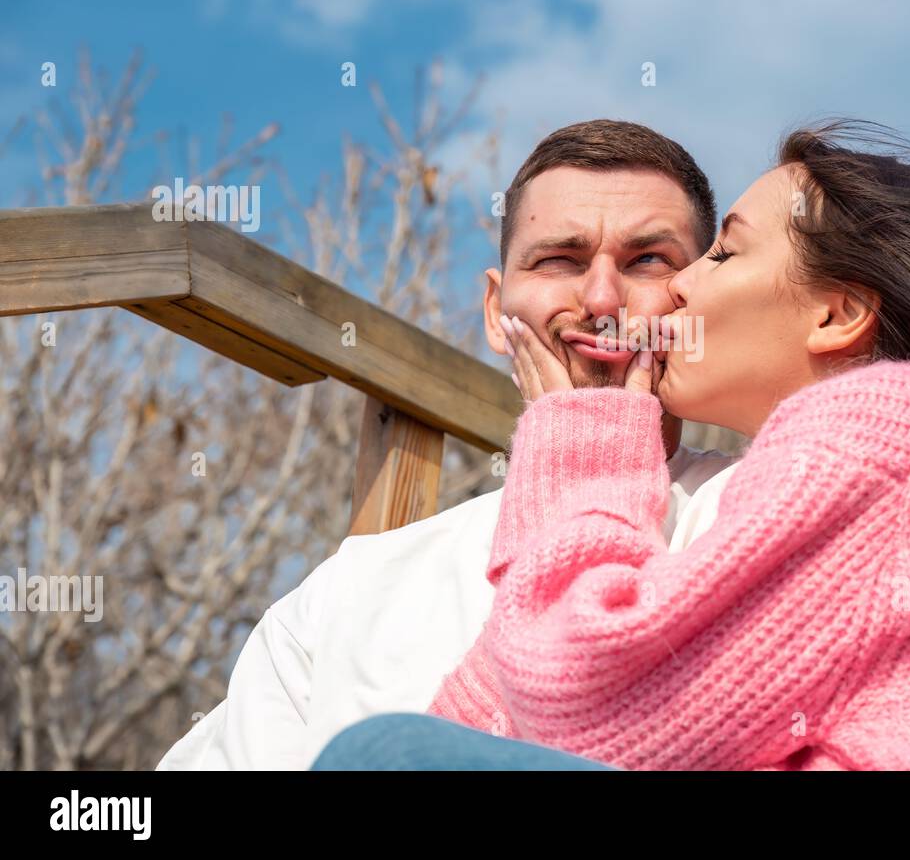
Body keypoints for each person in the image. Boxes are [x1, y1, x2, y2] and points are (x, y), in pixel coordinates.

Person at [326, 119, 910, 770]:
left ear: (838, 311)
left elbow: (587, 707)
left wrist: (585, 434)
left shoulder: (897, 430)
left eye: (721, 253)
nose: (671, 294)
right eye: (565, 261)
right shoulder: (885, 462)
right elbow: (518, 706)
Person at [157, 120, 740, 770]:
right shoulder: (354, 589)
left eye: (648, 260)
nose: (601, 297)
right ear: (496, 310)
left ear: (700, 302)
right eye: (559, 259)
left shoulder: (765, 519)